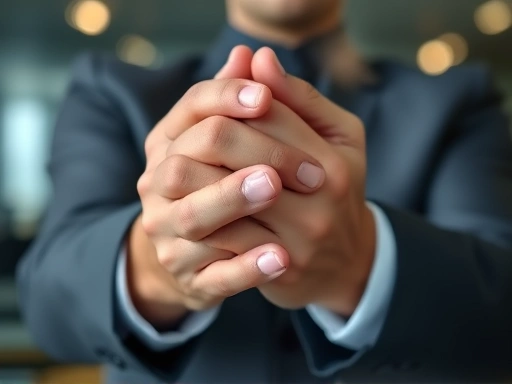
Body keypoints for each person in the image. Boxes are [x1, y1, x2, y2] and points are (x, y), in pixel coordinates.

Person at [16, 0, 512, 382]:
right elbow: (46, 300)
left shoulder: (458, 102)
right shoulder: (109, 90)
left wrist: (362, 259)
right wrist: (156, 262)